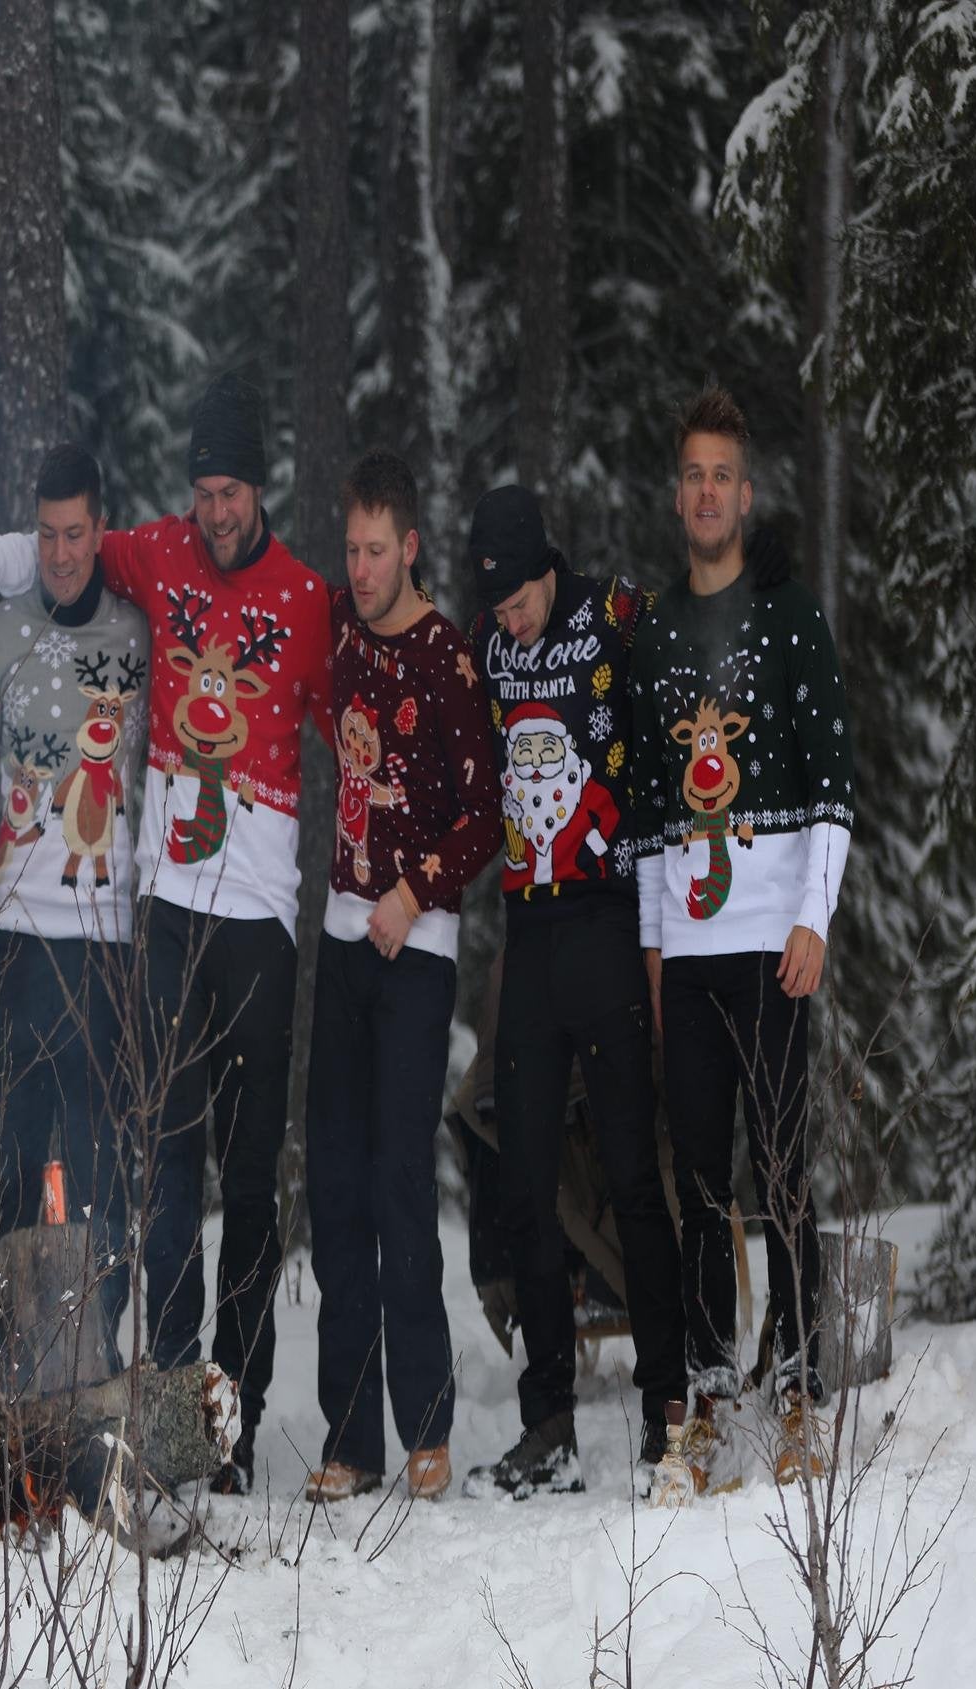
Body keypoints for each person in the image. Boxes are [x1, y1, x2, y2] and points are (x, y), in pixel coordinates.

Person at [0, 373, 333, 1493]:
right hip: (165, 914)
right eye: (202, 492)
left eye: (230, 492)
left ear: (258, 486)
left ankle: (240, 1413)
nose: (215, 511)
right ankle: (172, 1401)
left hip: (261, 923)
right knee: (166, 1166)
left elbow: (349, 717)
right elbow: (63, 552)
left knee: (249, 1179)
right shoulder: (157, 553)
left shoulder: (308, 598)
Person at [632, 384, 855, 1496]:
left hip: (774, 936)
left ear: (744, 494)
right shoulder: (655, 631)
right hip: (691, 940)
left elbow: (832, 787)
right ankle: (712, 1392)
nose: (706, 491)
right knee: (699, 1182)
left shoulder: (788, 617)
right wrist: (652, 949)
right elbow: (641, 822)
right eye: (691, 475)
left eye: (722, 474)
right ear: (676, 498)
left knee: (781, 1172)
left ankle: (802, 1388)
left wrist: (812, 914)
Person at [0, 443, 150, 1395]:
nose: (58, 553)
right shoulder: (5, 631)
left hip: (107, 949)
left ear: (100, 532)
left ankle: (93, 1378)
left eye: (74, 533)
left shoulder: (138, 633)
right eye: (43, 535)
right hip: (15, 941)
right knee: (2, 1174)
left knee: (101, 1182)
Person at [460, 485, 688, 1498]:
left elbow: (666, 747)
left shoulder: (612, 616)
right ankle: (546, 1420)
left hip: (605, 920)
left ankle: (666, 1401)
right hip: (528, 933)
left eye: (516, 602)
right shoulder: (484, 640)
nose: (507, 620)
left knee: (635, 1171)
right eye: (496, 608)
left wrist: (660, 925)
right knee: (525, 1180)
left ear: (545, 570)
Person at [302, 450, 499, 1504]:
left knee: (395, 1186)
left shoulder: (447, 660)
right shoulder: (336, 623)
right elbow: (297, 680)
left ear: (410, 546)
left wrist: (412, 891)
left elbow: (486, 816)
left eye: (377, 549)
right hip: (338, 946)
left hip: (412, 953)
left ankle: (425, 1428)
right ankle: (349, 1438)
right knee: (332, 1187)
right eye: (351, 548)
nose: (361, 566)